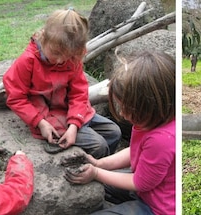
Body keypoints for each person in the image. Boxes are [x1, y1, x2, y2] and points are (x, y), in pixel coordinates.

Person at [66, 51, 176, 215]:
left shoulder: (162, 140)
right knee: (99, 183)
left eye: (127, 108)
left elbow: (140, 183)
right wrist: (99, 164)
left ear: (150, 105)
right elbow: (134, 151)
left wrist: (96, 173)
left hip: (157, 208)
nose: (123, 114)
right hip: (145, 189)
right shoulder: (150, 120)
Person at [3, 9, 120, 159]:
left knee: (114, 132)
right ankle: (95, 173)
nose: (60, 61)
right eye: (56, 53)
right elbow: (15, 97)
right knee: (99, 145)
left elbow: (79, 92)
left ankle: (105, 167)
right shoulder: (27, 62)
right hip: (47, 116)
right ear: (44, 37)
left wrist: (74, 124)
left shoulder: (72, 58)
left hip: (73, 112)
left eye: (67, 56)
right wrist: (40, 122)